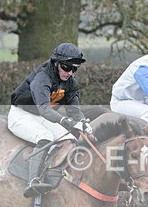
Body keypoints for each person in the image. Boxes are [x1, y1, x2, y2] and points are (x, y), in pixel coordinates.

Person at [9, 42, 92, 197]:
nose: (70, 73)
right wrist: (66, 122)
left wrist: (84, 124)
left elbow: (75, 111)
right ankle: (33, 181)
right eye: (67, 67)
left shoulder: (71, 83)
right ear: (56, 63)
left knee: (70, 139)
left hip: (42, 117)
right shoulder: (42, 78)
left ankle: (61, 177)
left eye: (74, 68)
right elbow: (44, 109)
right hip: (21, 115)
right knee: (45, 137)